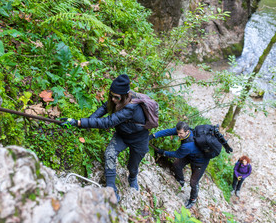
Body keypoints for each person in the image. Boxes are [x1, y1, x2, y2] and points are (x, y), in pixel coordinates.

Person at [60, 74, 149, 202]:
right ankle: (111, 189)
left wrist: (79, 122)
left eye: (116, 97)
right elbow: (104, 108)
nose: (112, 99)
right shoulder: (118, 98)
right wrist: (88, 121)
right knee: (109, 154)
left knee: (132, 166)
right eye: (111, 95)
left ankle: (133, 177)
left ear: (124, 96)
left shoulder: (131, 107)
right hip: (122, 135)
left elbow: (107, 122)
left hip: (139, 139)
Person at [149, 121, 209, 209]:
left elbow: (177, 154)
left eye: (180, 133)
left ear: (187, 132)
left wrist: (163, 152)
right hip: (190, 154)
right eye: (177, 133)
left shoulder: (188, 145)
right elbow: (168, 131)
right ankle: (180, 181)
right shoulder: (183, 131)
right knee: (177, 164)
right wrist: (154, 135)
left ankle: (193, 199)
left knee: (193, 182)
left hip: (200, 161)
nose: (178, 135)